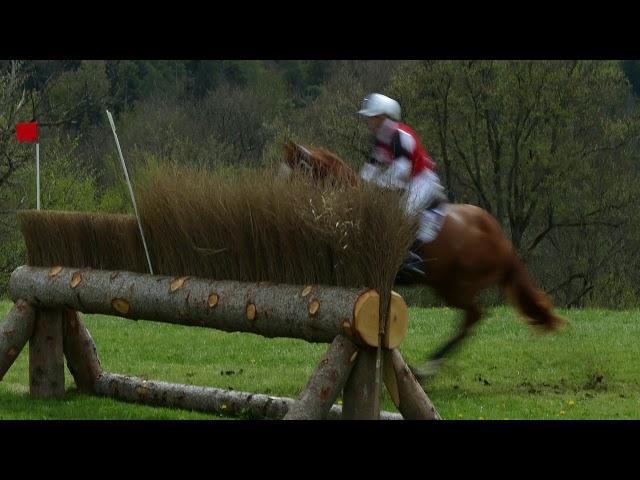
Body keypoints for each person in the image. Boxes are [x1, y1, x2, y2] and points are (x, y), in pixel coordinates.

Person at [357, 93, 447, 281]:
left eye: (372, 117)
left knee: (404, 212)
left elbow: (402, 168)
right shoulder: (380, 138)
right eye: (369, 117)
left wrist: (378, 183)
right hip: (408, 181)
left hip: (422, 179)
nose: (370, 121)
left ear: (383, 116)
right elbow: (371, 166)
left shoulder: (400, 135)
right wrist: (359, 186)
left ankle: (414, 260)